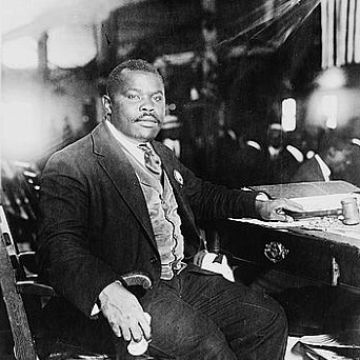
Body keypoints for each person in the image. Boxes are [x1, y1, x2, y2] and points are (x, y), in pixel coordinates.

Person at [37, 59, 303, 360]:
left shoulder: (161, 154)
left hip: (180, 277)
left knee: (267, 319)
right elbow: (57, 246)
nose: (148, 107)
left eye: (157, 97)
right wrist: (108, 291)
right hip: (133, 289)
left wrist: (258, 206)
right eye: (134, 97)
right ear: (108, 105)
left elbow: (202, 194)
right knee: (209, 348)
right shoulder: (72, 163)